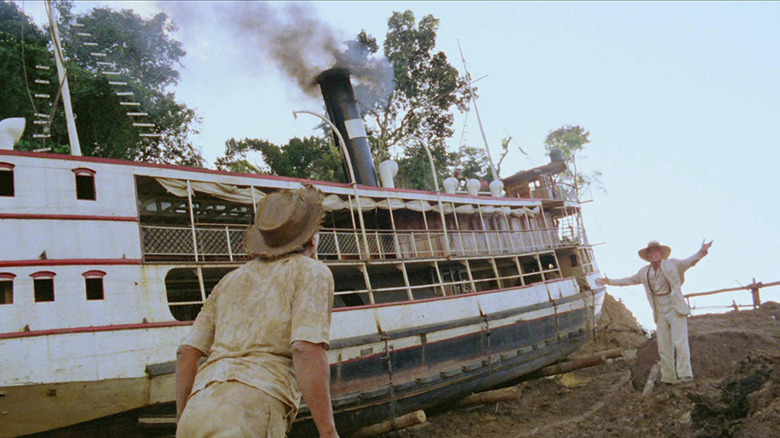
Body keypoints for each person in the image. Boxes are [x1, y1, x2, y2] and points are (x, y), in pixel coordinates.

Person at [175, 186, 339, 437]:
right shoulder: (311, 272)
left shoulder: (229, 280)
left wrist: (183, 420)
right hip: (252, 409)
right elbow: (304, 349)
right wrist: (328, 433)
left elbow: (187, 352)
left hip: (197, 410)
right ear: (313, 239)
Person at [596, 240, 713, 385]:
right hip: (659, 310)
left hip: (674, 307)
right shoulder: (644, 272)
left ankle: (685, 376)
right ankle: (668, 378)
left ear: (662, 253)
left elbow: (690, 261)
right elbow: (629, 280)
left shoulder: (673, 264)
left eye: (655, 251)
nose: (653, 254)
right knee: (663, 346)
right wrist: (609, 281)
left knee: (680, 342)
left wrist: (702, 251)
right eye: (650, 252)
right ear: (647, 256)